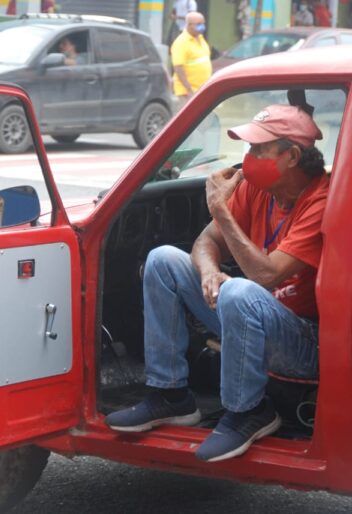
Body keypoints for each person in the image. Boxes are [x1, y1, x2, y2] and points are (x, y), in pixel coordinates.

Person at [105, 105, 328, 463]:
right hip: (253, 317)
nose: (248, 158)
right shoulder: (258, 189)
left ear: (292, 157)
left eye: (259, 150)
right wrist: (209, 272)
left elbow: (266, 275)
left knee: (240, 291)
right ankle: (171, 395)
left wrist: (220, 210)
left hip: (304, 341)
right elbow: (204, 243)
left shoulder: (321, 199)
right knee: (164, 260)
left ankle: (249, 410)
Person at [170, 12, 212, 106]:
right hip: (188, 93)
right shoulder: (181, 42)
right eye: (199, 24)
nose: (202, 27)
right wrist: (189, 90)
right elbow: (178, 68)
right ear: (189, 25)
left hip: (201, 90)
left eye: (203, 23)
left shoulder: (201, 38)